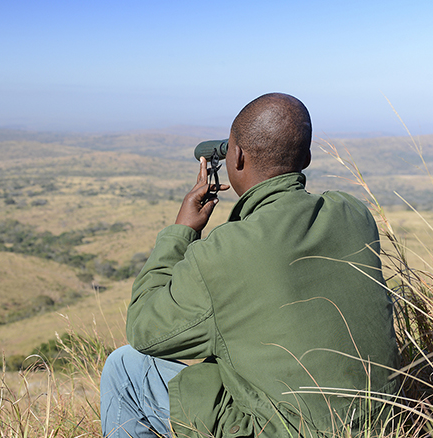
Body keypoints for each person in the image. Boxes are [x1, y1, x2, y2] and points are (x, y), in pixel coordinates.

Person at [100, 93, 399, 438]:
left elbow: (143, 330)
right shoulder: (353, 213)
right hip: (378, 424)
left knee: (124, 367)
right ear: (307, 157)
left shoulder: (225, 251)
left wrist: (182, 232)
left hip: (288, 431)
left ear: (237, 157)